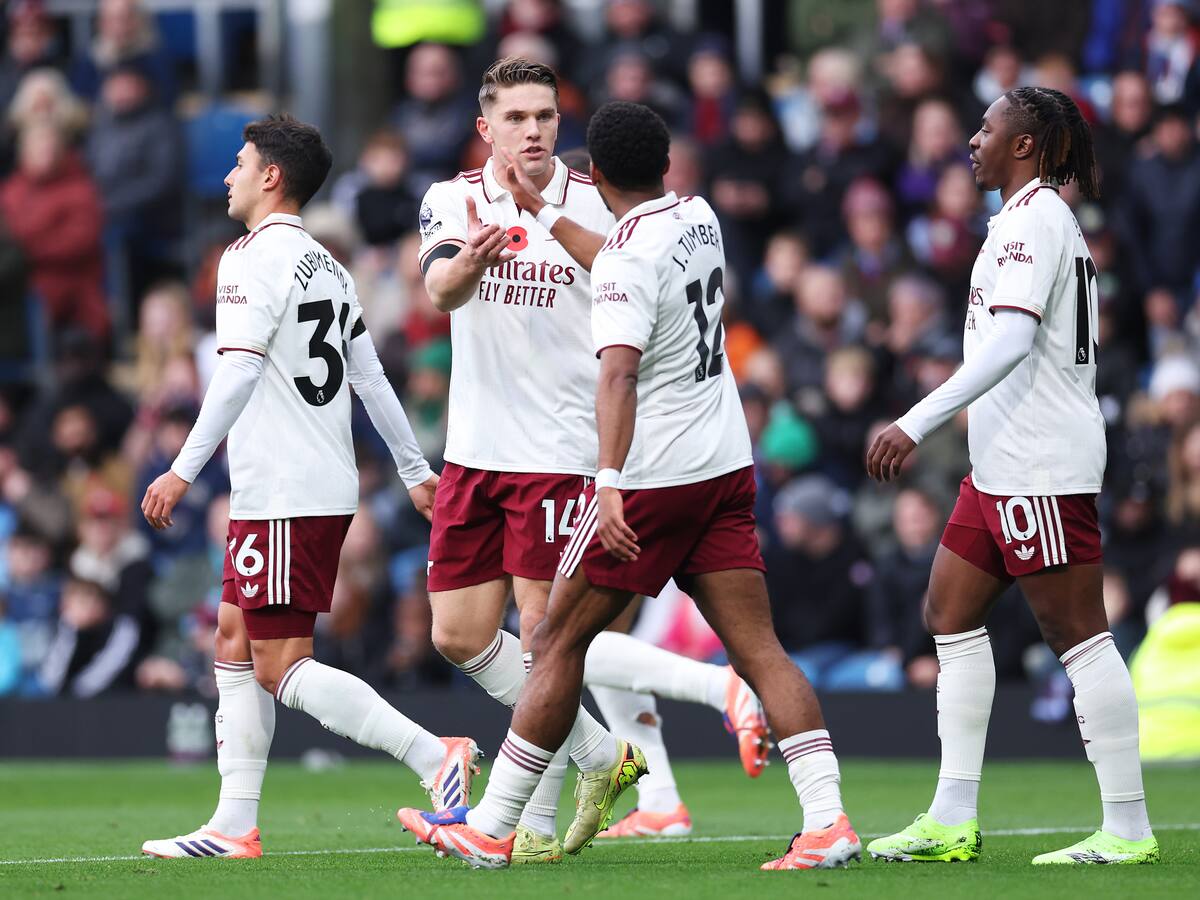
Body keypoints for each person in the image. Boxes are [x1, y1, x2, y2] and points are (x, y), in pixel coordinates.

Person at [399, 100, 862, 872]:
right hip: (724, 463)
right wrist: (545, 209)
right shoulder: (699, 215)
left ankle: (496, 822)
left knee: (552, 641)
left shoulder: (623, 260)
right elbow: (616, 247)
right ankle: (828, 821)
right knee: (760, 648)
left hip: (653, 479)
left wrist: (608, 481)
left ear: (597, 172)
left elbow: (617, 373)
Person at [137, 115, 477, 860]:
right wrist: (415, 470)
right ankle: (233, 823)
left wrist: (181, 468)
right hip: (308, 482)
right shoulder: (326, 264)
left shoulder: (249, 258)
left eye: (238, 162)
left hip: (286, 488)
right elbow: (370, 378)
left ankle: (434, 757)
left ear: (271, 177)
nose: (227, 176)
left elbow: (239, 371)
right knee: (233, 638)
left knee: (279, 663)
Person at [865, 87, 1159, 865]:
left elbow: (1009, 345)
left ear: (1025, 145)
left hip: (1042, 464)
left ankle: (1128, 828)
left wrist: (914, 420)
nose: (972, 139)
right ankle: (951, 815)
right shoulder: (1019, 219)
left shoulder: (1034, 221)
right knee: (948, 610)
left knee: (1076, 633)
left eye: (987, 128)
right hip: (998, 467)